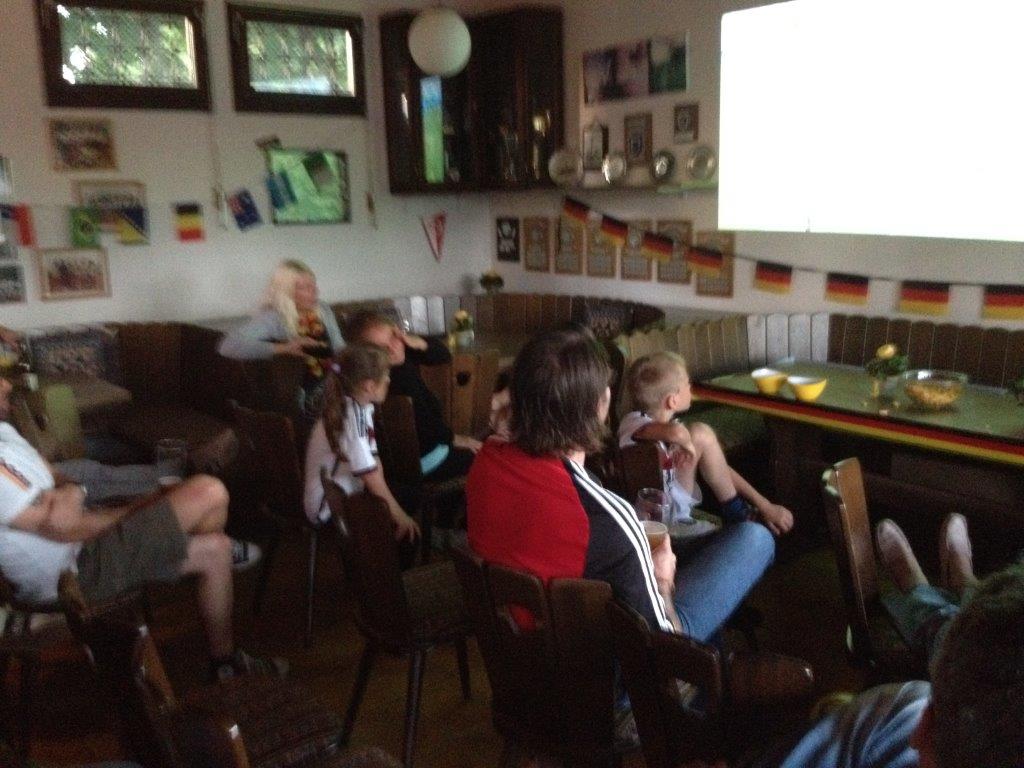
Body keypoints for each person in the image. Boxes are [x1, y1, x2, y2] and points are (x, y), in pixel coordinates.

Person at [469, 327, 776, 643]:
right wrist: (663, 583)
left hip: (520, 651)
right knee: (755, 538)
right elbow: (663, 644)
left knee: (712, 545)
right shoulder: (605, 517)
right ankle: (713, 659)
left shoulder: (486, 460)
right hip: (603, 665)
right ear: (601, 406)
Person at [0, 377, 285, 681]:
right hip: (70, 579)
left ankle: (225, 666)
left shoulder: (4, 431)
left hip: (83, 548)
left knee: (217, 549)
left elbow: (58, 477)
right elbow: (63, 528)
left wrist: (72, 492)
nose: (6, 384)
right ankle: (178, 530)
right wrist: (143, 510)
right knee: (208, 492)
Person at [619, 351, 793, 536]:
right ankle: (737, 518)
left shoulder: (657, 426)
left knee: (701, 435)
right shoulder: (633, 422)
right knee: (699, 432)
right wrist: (686, 442)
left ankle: (739, 512)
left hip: (671, 509)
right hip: (660, 522)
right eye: (687, 384)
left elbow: (719, 467)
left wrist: (764, 505)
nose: (691, 388)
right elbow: (673, 432)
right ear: (673, 400)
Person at [345, 311, 481, 532]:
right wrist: (457, 439)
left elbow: (442, 355)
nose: (392, 347)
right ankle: (451, 525)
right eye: (382, 347)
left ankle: (443, 519)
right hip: (415, 460)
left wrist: (416, 342)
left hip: (403, 456)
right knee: (477, 460)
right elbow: (428, 429)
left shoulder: (394, 361)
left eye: (393, 337)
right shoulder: (393, 381)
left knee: (461, 449)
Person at [303, 344, 420, 544]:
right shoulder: (352, 417)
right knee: (406, 528)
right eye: (386, 376)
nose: (389, 380)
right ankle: (381, 561)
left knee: (408, 495)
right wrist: (399, 515)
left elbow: (373, 463)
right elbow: (369, 474)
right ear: (369, 386)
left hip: (342, 496)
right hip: (328, 508)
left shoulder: (359, 406)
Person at [218, 260, 344, 417]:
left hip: (334, 384)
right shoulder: (274, 318)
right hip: (304, 396)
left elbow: (339, 348)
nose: (315, 291)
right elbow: (227, 346)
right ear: (287, 291)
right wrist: (283, 348)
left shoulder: (323, 309)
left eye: (314, 285)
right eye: (306, 287)